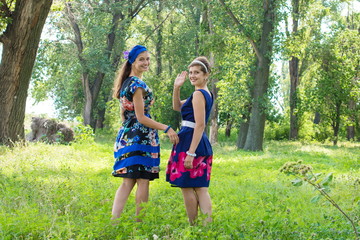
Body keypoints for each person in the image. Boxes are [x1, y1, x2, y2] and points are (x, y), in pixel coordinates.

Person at [111, 45, 179, 223]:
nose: (146, 62)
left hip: (126, 136)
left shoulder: (126, 82)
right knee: (142, 180)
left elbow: (127, 115)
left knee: (127, 181)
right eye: (141, 59)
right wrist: (167, 127)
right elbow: (141, 118)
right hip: (140, 137)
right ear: (132, 61)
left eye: (148, 59)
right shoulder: (138, 85)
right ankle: (139, 225)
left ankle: (114, 222)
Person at [166, 56, 214, 225]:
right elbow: (177, 106)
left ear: (206, 75)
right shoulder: (204, 94)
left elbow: (200, 125)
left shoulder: (198, 94)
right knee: (201, 188)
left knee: (187, 187)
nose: (193, 76)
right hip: (199, 142)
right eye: (191, 72)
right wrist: (176, 87)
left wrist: (190, 153)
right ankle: (207, 226)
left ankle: (193, 226)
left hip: (191, 142)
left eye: (197, 73)